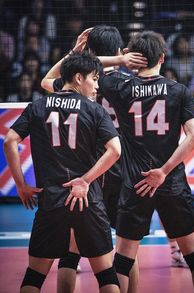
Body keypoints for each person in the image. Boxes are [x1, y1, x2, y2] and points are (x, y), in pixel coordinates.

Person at [98, 31, 194, 293]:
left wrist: (120, 61)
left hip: (136, 184)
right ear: (162, 57)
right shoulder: (179, 91)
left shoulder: (120, 87)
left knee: (123, 262)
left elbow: (86, 64)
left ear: (135, 59)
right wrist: (163, 171)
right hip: (171, 182)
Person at [4, 51, 122, 293]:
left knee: (34, 277)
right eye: (94, 79)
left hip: (51, 202)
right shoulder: (94, 110)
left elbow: (9, 141)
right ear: (78, 78)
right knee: (107, 277)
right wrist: (86, 180)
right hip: (87, 201)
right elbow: (115, 150)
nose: (97, 86)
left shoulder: (37, 106)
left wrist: (21, 185)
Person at [41, 25, 147, 293]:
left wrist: (74, 54)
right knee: (126, 246)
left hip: (84, 169)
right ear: (120, 51)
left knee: (71, 248)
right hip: (119, 166)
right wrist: (123, 61)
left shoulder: (79, 83)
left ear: (89, 51)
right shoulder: (129, 85)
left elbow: (46, 82)